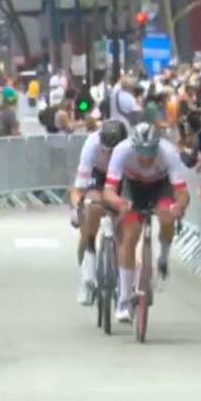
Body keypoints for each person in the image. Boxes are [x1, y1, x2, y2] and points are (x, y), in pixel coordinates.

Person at [101, 122, 190, 322]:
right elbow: (108, 192)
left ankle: (163, 259)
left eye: (151, 151)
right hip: (133, 187)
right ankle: (123, 300)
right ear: (134, 146)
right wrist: (120, 202)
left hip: (161, 186)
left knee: (166, 214)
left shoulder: (168, 153)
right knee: (131, 234)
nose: (147, 157)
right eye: (142, 151)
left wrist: (178, 207)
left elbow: (183, 193)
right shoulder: (122, 151)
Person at [72, 120, 128, 305]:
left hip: (121, 174)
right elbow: (78, 189)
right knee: (91, 211)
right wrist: (77, 208)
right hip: (98, 174)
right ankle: (86, 278)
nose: (110, 154)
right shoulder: (91, 145)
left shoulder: (128, 149)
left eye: (114, 150)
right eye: (107, 150)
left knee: (125, 219)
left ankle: (124, 276)